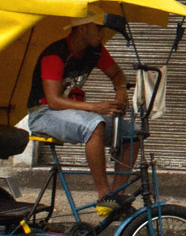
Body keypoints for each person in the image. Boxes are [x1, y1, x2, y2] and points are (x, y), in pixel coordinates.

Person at [23, 21, 137, 216]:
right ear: (82, 28)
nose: (102, 33)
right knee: (94, 124)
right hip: (43, 114)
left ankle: (117, 197)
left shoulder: (95, 51)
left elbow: (117, 74)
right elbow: (53, 101)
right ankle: (104, 196)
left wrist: (120, 90)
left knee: (131, 134)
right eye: (98, 28)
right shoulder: (56, 54)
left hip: (65, 110)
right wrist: (95, 107)